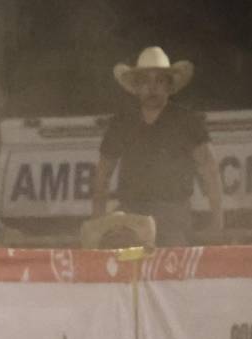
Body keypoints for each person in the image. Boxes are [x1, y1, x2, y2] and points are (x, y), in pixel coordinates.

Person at [93, 46, 223, 246]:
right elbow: (103, 173)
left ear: (169, 86)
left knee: (171, 265)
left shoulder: (187, 120)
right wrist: (97, 221)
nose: (152, 88)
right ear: (136, 87)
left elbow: (210, 170)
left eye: (159, 80)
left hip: (173, 217)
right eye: (145, 81)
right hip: (130, 217)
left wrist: (217, 222)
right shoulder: (122, 122)